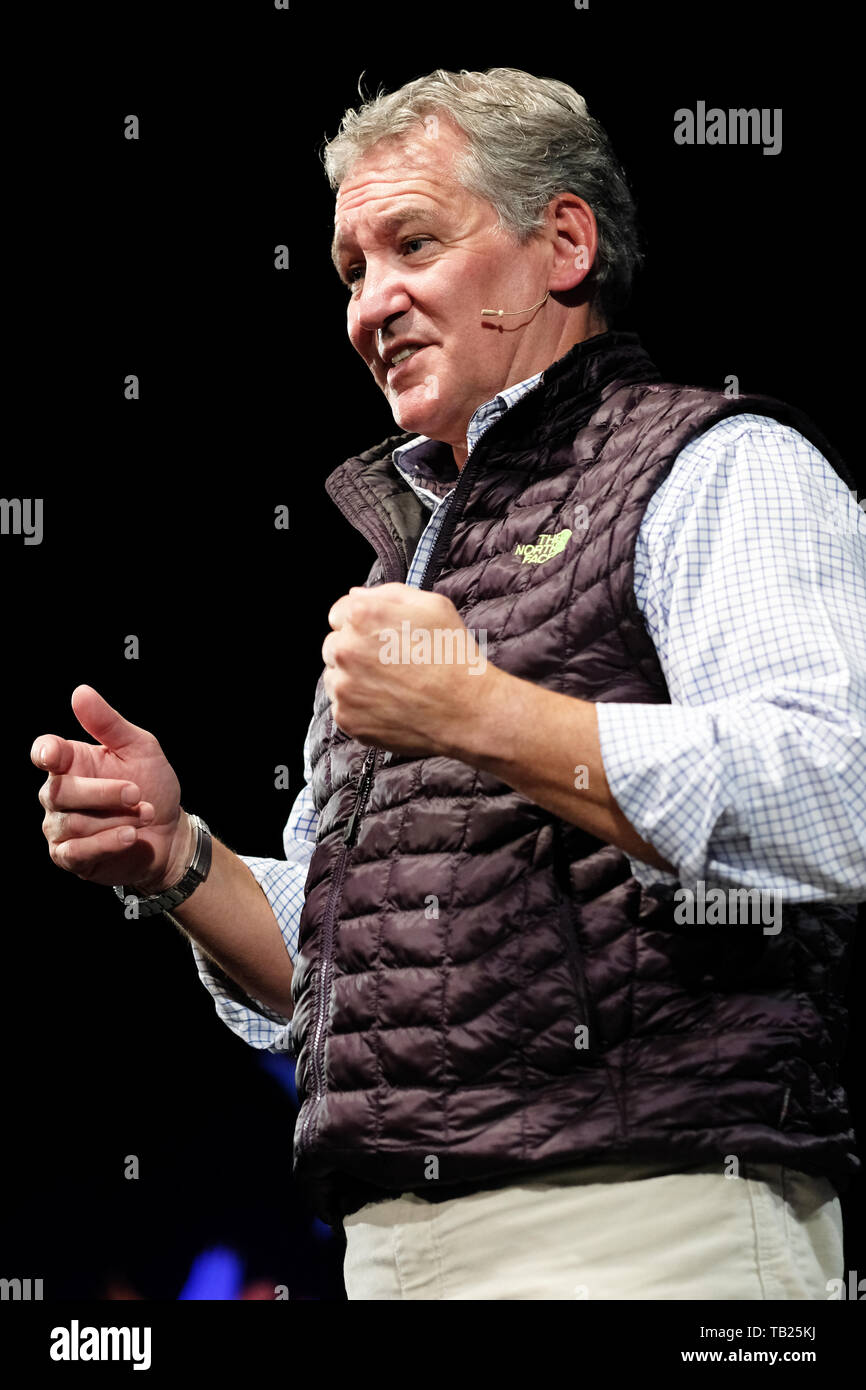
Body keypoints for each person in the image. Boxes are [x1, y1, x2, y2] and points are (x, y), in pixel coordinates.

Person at [32, 68, 866, 1300]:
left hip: (648, 1222)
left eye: (412, 243)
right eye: (350, 270)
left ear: (563, 244)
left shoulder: (720, 465)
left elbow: (832, 797)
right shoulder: (400, 570)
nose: (373, 303)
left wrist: (482, 716)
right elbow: (340, 973)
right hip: (394, 1246)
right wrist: (180, 861)